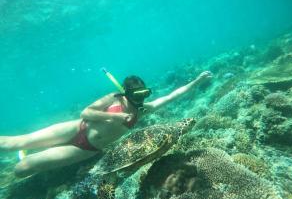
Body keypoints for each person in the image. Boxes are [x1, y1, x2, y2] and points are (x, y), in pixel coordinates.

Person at [0, 71, 212, 178]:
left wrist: (196, 82)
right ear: (127, 93)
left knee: (22, 168)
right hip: (77, 127)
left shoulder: (143, 111)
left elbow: (172, 96)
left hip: (85, 148)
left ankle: (27, 156)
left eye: (145, 93)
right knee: (11, 143)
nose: (141, 98)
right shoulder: (113, 98)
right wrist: (114, 117)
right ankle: (22, 148)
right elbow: (86, 112)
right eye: (137, 94)